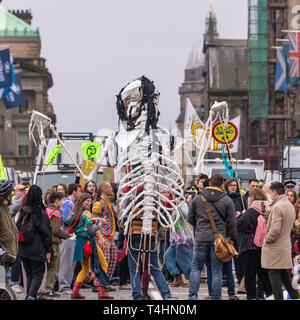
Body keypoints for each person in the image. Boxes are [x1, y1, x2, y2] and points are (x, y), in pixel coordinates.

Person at [187, 174, 238, 300]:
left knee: (196, 268)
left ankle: (192, 296)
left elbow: (190, 218)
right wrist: (230, 237)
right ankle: (216, 297)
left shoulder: (198, 198)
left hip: (201, 238)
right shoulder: (227, 200)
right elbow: (232, 223)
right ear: (222, 185)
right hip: (218, 239)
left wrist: (200, 227)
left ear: (210, 184)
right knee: (216, 270)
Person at [65, 193, 109, 299]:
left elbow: (83, 222)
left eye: (90, 201)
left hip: (80, 242)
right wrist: (99, 225)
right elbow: (91, 229)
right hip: (88, 243)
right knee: (103, 264)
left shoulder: (76, 212)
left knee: (84, 268)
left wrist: (98, 221)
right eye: (87, 201)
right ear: (82, 201)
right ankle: (102, 291)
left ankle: (75, 292)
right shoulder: (87, 213)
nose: (89, 203)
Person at [261, 181, 300, 300]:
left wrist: (267, 241)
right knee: (285, 277)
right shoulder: (288, 205)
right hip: (284, 245)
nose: (270, 196)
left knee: (274, 277)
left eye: (271, 193)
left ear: (275, 192)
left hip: (274, 247)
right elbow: (287, 225)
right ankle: (295, 297)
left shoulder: (277, 206)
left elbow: (275, 229)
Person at [236, 188, 273, 300]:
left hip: (249, 246)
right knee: (264, 273)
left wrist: (240, 216)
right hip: (264, 246)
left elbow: (239, 226)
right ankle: (270, 294)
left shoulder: (251, 210)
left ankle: (251, 296)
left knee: (249, 274)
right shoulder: (268, 209)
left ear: (253, 197)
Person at [17, 185, 53, 300]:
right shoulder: (41, 213)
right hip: (37, 249)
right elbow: (46, 234)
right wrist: (49, 250)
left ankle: (29, 295)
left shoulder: (22, 211)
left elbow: (17, 228)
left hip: (23, 248)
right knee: (38, 274)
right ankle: (31, 297)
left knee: (29, 274)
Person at [92, 180, 119, 291]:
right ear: (103, 189)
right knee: (104, 261)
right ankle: (98, 284)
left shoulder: (108, 202)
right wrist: (99, 236)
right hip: (102, 237)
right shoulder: (98, 204)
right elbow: (94, 221)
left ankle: (104, 283)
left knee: (112, 261)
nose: (111, 189)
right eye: (109, 187)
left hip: (110, 237)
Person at [44, 192, 72, 297]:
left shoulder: (47, 210)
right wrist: (67, 235)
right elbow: (56, 229)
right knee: (54, 268)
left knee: (49, 267)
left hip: (47, 242)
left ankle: (47, 288)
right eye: (62, 200)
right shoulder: (56, 213)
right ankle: (48, 289)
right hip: (53, 243)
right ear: (56, 201)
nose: (63, 202)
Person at [58, 183, 81, 294]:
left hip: (73, 235)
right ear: (74, 192)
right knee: (66, 262)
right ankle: (63, 285)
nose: (80, 193)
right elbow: (67, 220)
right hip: (67, 235)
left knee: (71, 262)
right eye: (79, 191)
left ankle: (67, 284)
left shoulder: (73, 203)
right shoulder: (68, 203)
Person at [223, 178, 245, 299]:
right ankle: (225, 278)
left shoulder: (241, 197)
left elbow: (245, 211)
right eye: (231, 185)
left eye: (235, 185)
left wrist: (241, 213)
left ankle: (241, 280)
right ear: (227, 186)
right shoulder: (225, 198)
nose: (233, 187)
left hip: (239, 231)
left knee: (239, 257)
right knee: (225, 257)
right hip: (227, 232)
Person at [0, 179, 19, 263]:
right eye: (9, 194)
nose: (10, 197)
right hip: (3, 257)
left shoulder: (5, 208)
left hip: (10, 256)